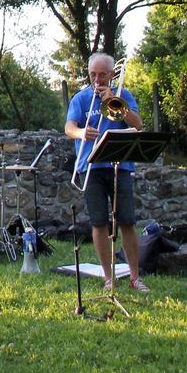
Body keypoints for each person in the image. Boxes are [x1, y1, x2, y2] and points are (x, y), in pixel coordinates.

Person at [64, 52, 149, 293]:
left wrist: (114, 100)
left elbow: (137, 124)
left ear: (112, 75)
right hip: (90, 167)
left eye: (102, 74)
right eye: (93, 74)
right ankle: (109, 278)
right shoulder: (81, 99)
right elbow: (69, 127)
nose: (97, 79)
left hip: (120, 166)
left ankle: (135, 277)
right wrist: (81, 133)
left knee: (127, 222)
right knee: (99, 222)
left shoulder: (124, 95)